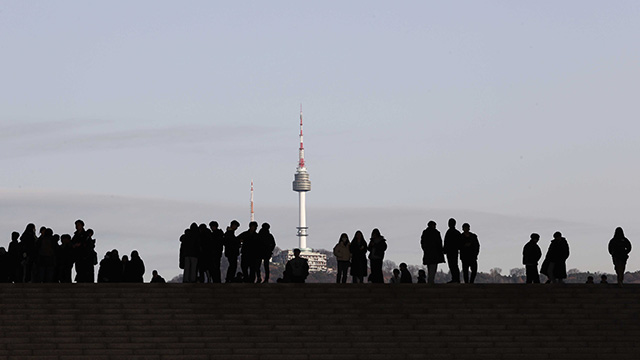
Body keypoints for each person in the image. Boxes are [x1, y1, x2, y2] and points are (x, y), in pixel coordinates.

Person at [443, 218, 462, 283]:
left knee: (452, 265)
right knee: (454, 265)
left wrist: (444, 250)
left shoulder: (449, 232)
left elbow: (446, 242)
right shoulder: (457, 232)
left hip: (450, 252)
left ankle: (455, 278)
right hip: (454, 251)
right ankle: (456, 278)